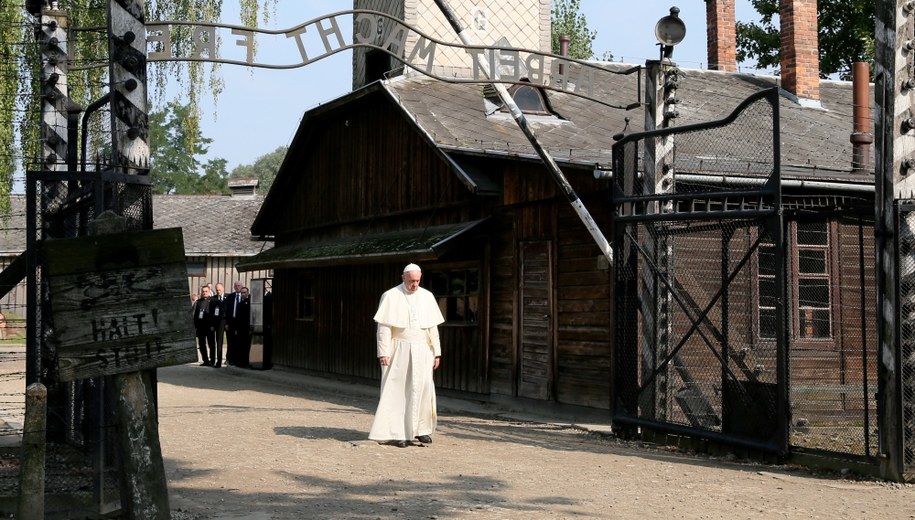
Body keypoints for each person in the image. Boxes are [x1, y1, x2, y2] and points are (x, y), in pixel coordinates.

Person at [368, 263, 445, 448]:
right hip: (399, 348)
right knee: (399, 390)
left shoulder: (427, 296)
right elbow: (384, 328)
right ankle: (398, 432)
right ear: (403, 277)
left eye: (417, 281)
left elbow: (432, 327)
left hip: (423, 349)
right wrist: (383, 352)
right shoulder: (391, 295)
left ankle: (421, 430)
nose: (414, 285)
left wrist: (437, 352)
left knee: (424, 389)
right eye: (411, 281)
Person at [192, 285, 215, 366]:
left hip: (209, 327)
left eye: (206, 291)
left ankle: (212, 360)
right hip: (200, 327)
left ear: (209, 292)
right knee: (202, 345)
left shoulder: (213, 301)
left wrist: (213, 325)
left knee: (211, 344)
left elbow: (214, 315)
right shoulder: (198, 302)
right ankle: (205, 361)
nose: (204, 293)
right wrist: (195, 326)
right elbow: (195, 315)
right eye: (203, 291)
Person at [225, 281, 244, 366]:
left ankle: (238, 360)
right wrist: (226, 323)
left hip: (240, 323)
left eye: (239, 285)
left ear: (242, 286)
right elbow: (226, 310)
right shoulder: (230, 297)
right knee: (230, 342)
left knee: (239, 342)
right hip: (231, 322)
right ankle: (230, 359)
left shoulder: (245, 296)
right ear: (233, 287)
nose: (237, 287)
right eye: (235, 286)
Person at [211, 282, 227, 367]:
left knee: (230, 342)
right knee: (219, 342)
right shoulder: (213, 299)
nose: (218, 291)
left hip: (226, 322)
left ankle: (228, 359)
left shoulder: (228, 297)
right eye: (217, 290)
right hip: (217, 323)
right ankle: (218, 361)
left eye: (219, 290)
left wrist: (227, 323)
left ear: (223, 288)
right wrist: (212, 325)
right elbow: (211, 313)